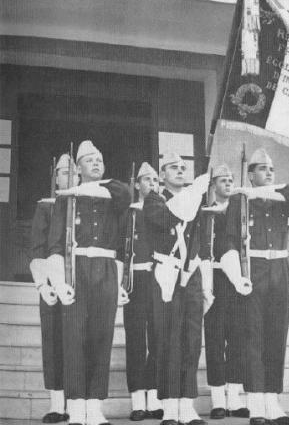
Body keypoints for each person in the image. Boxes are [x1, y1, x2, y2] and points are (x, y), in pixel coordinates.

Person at [47, 140, 131, 425]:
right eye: (90, 160)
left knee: (101, 338)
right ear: (78, 168)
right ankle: (77, 405)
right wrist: (59, 282)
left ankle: (95, 405)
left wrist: (119, 282)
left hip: (106, 270)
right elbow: (56, 246)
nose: (96, 163)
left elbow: (126, 196)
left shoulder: (113, 197)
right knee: (74, 339)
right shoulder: (67, 199)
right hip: (76, 269)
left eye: (100, 159)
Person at [224, 148, 289, 425]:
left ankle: (273, 404)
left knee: (276, 336)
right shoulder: (239, 202)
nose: (269, 173)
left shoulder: (281, 199)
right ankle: (256, 404)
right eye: (262, 169)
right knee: (253, 337)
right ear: (250, 174)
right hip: (253, 270)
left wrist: (261, 191)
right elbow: (230, 241)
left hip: (280, 271)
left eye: (272, 169)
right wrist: (236, 276)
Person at [143, 152, 212, 425]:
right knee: (167, 340)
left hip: (191, 274)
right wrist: (196, 190)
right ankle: (170, 405)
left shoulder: (195, 199)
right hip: (166, 274)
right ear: (162, 175)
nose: (181, 170)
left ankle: (187, 404)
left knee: (191, 340)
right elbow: (165, 219)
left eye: (184, 167)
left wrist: (206, 282)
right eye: (174, 167)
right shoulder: (154, 200)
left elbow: (203, 241)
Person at [29, 154, 75, 423]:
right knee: (54, 342)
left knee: (77, 343)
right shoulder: (46, 206)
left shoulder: (84, 204)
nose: (71, 177)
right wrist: (43, 284)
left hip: (79, 283)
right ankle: (57, 404)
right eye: (64, 173)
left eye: (74, 173)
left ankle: (77, 400)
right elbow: (37, 248)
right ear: (55, 177)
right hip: (51, 285)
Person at [202, 164, 249, 419]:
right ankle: (218, 399)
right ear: (213, 185)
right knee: (215, 338)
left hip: (237, 280)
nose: (228, 183)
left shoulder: (240, 211)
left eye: (231, 180)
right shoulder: (206, 211)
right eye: (223, 180)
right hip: (214, 279)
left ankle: (235, 397)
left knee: (237, 339)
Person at [123, 162, 163, 421]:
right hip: (136, 280)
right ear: (137, 184)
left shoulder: (162, 211)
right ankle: (138, 400)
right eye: (147, 180)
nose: (153, 184)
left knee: (159, 338)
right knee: (136, 340)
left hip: (160, 279)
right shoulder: (128, 213)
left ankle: (155, 397)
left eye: (156, 180)